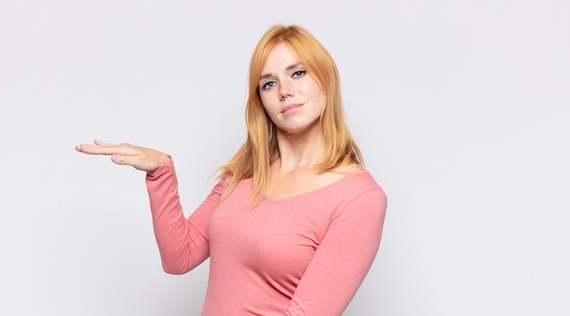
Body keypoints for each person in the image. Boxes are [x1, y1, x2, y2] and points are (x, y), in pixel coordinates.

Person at [76, 24, 387, 316]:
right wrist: (161, 173)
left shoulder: (360, 199)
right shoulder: (249, 164)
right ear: (261, 100)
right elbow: (179, 257)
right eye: (269, 83)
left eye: (298, 73)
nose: (284, 91)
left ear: (326, 79)